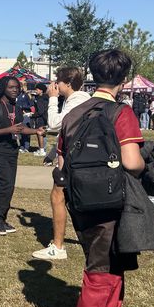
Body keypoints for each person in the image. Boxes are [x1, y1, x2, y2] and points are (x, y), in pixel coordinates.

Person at [55, 49, 144, 307]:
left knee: (110, 266)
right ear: (124, 79)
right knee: (100, 273)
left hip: (80, 202)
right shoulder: (121, 113)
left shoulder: (73, 115)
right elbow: (132, 163)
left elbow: (62, 163)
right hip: (110, 202)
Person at [33, 67, 90, 261]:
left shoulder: (77, 100)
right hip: (77, 156)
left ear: (67, 83)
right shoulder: (82, 99)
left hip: (73, 159)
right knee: (68, 198)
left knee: (58, 197)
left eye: (58, 81)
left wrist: (52, 98)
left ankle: (58, 246)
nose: (55, 85)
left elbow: (56, 123)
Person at [0, 76, 43, 236]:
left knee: (8, 184)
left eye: (16, 87)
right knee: (7, 183)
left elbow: (20, 128)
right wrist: (8, 130)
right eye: (11, 87)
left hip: (11, 150)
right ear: (3, 88)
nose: (15, 90)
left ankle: (2, 218)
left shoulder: (16, 107)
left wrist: (36, 131)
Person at [29, 83, 50, 155]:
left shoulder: (41, 99)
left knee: (40, 133)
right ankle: (42, 149)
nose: (36, 90)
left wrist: (32, 115)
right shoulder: (43, 97)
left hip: (41, 118)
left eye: (37, 89)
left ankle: (42, 150)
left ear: (41, 90)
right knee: (43, 134)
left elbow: (40, 111)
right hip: (45, 118)